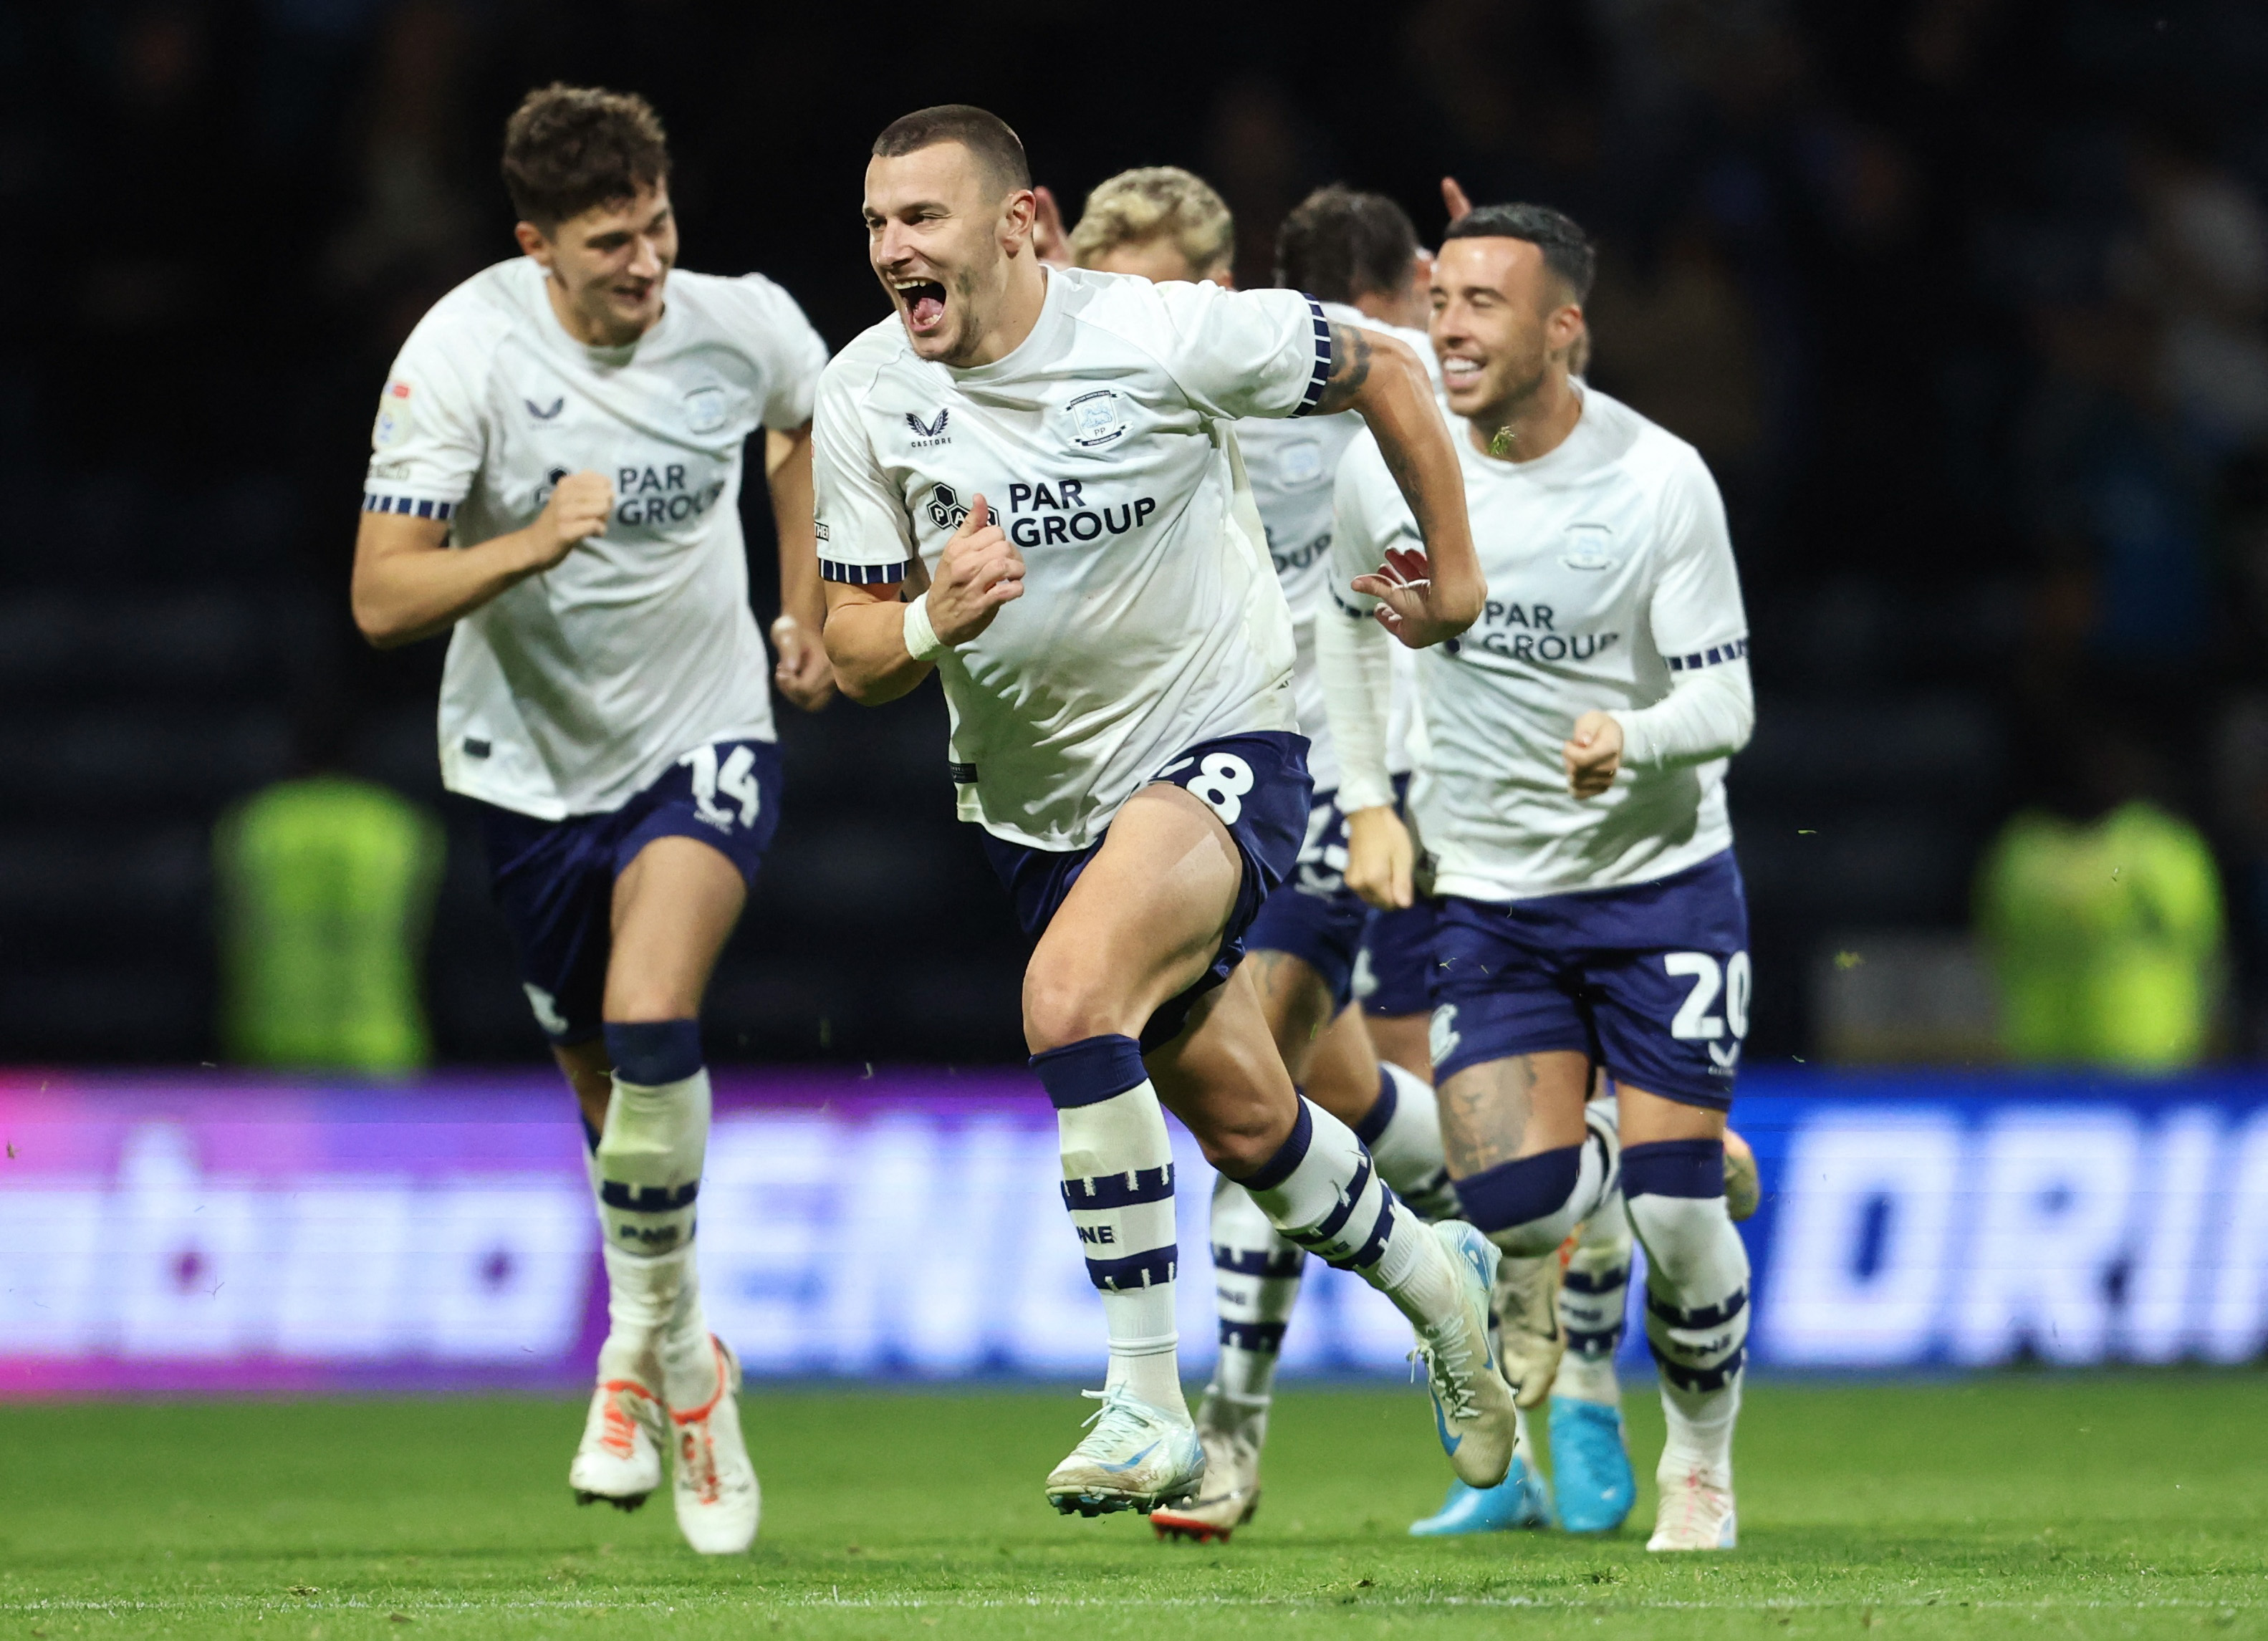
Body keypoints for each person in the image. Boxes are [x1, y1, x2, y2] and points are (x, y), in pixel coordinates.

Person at [814, 105, 1515, 1519]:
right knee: (1252, 1122)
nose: (893, 251)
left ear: (1020, 223)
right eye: (878, 224)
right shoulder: (865, 392)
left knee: (1068, 998)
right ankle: (1445, 1294)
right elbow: (845, 641)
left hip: (1223, 745)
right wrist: (927, 627)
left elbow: (1380, 365)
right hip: (1034, 813)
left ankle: (1148, 1404)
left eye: (922, 219)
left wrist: (1453, 578)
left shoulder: (1156, 333)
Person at [348, 84, 835, 1554]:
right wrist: (528, 542)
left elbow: (803, 426)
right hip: (526, 770)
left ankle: (655, 1365)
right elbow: (381, 596)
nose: (646, 264)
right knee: (603, 1104)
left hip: (703, 731)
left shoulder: (737, 322)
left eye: (659, 225)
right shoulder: (461, 356)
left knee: (647, 1014)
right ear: (534, 245)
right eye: (610, 240)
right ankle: (676, 1348)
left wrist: (799, 606)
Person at [1325, 202, 1758, 1551]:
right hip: (1494, 900)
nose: (1447, 325)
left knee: (1681, 1234)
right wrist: (1364, 804)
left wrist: (1630, 737)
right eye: (1439, 299)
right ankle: (1624, 1146)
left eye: (1482, 304)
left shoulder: (1655, 479)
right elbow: (1346, 631)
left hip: (1660, 887)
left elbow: (1727, 699)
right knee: (1514, 1210)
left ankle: (1698, 1461)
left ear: (1562, 329)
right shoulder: (1384, 463)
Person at [1062, 170, 1479, 1541]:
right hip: (1167, 791)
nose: (1135, 311)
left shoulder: (1308, 385)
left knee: (1261, 1089)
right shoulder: (1094, 408)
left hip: (1314, 778)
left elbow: (1454, 368)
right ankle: (1568, 1179)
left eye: (1165, 284)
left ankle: (1228, 1436)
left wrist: (1472, 271)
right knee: (1324, 1100)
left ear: (1223, 288)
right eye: (1107, 285)